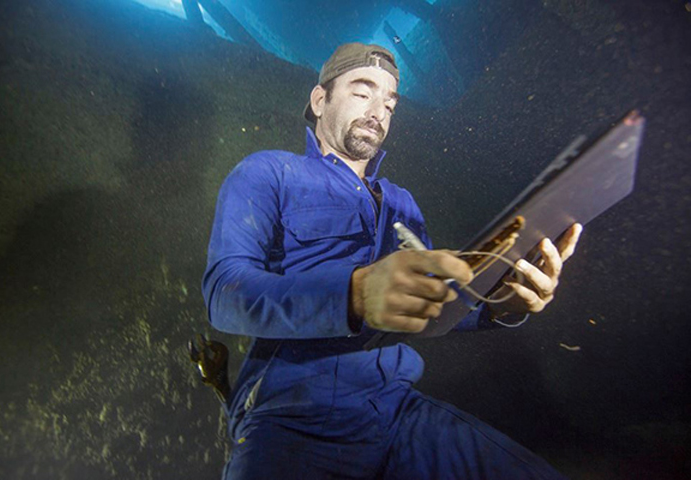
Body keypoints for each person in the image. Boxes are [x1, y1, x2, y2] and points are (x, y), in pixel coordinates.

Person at [202, 43, 582, 480]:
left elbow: (432, 305)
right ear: (320, 100)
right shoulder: (267, 172)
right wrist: (356, 293)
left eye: (389, 102)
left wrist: (500, 305)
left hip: (398, 410)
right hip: (292, 418)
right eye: (363, 92)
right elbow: (224, 292)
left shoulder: (403, 203)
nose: (378, 111)